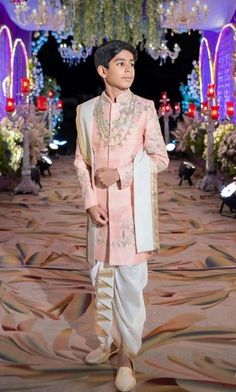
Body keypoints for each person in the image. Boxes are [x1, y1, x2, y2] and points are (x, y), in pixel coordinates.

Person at [74, 40, 169, 392]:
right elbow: (81, 162)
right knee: (101, 279)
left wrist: (122, 174)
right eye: (120, 63)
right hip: (98, 213)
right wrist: (88, 202)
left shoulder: (145, 109)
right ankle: (108, 342)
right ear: (103, 71)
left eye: (131, 63)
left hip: (131, 213)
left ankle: (127, 356)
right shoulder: (85, 112)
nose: (128, 69)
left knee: (130, 285)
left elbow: (159, 158)